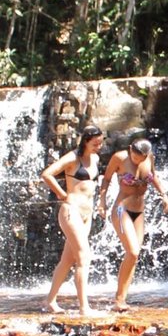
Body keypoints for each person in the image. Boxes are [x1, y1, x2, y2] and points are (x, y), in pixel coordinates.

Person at [39, 124, 106, 314]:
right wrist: (61, 194)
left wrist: (101, 204)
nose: (99, 147)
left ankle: (50, 301)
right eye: (95, 143)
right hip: (71, 211)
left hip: (87, 215)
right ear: (86, 141)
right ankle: (84, 307)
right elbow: (47, 174)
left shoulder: (95, 158)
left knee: (67, 260)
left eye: (101, 143)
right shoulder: (72, 158)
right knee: (84, 256)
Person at [99, 137, 168, 312]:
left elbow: (153, 176)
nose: (137, 160)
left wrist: (164, 194)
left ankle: (122, 299)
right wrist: (102, 202)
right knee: (132, 251)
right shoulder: (120, 158)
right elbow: (106, 179)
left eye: (141, 158)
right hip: (121, 209)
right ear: (130, 149)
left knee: (134, 257)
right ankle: (118, 300)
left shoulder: (149, 158)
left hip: (139, 211)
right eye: (135, 156)